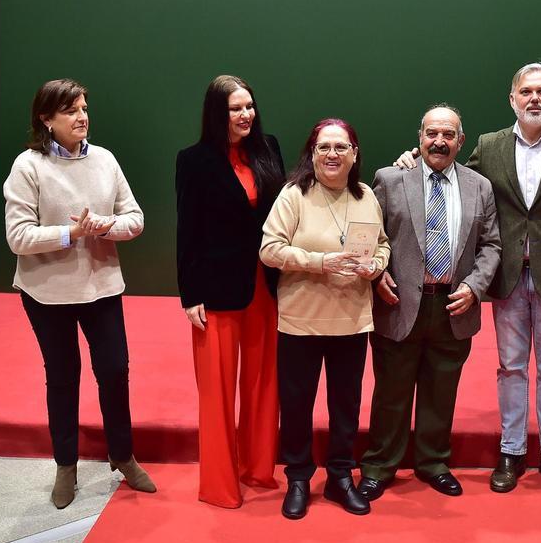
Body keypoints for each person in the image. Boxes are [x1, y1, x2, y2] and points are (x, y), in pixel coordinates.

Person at [396, 61, 541, 495]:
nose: (534, 98)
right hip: (505, 279)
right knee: (510, 367)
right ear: (512, 99)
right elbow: (448, 171)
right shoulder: (490, 146)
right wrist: (412, 157)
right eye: (526, 91)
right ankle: (511, 453)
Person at [3, 79, 155, 509]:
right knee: (64, 377)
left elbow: (136, 219)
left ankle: (122, 455)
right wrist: (71, 233)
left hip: (102, 287)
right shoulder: (27, 166)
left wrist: (105, 227)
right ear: (46, 119)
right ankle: (65, 465)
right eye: (70, 111)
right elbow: (17, 237)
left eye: (84, 108)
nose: (82, 117)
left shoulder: (105, 159)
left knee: (114, 371)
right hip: (46, 292)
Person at [359, 105, 500, 501]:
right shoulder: (389, 179)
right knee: (391, 391)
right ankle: (379, 465)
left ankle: (433, 462)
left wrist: (475, 286)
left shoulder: (480, 186)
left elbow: (491, 245)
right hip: (398, 301)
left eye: (448, 134)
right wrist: (375, 273)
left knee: (442, 390)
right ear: (419, 136)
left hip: (454, 304)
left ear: (461, 141)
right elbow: (372, 236)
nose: (439, 141)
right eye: (432, 133)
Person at [259, 118, 390, 520]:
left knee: (346, 405)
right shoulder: (293, 195)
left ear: (355, 155)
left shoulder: (367, 196)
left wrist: (376, 266)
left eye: (341, 147)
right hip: (301, 321)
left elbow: (382, 245)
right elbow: (269, 249)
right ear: (312, 154)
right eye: (323, 148)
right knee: (297, 405)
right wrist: (320, 262)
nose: (332, 154)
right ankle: (298, 478)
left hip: (352, 321)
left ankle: (339, 478)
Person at [175, 75, 285, 509]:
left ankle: (258, 470)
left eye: (249, 106)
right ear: (216, 114)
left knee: (263, 384)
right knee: (217, 392)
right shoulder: (194, 160)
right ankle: (221, 485)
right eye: (235, 109)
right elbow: (187, 231)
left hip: (267, 286)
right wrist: (190, 294)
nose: (245, 115)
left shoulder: (269, 148)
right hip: (216, 291)